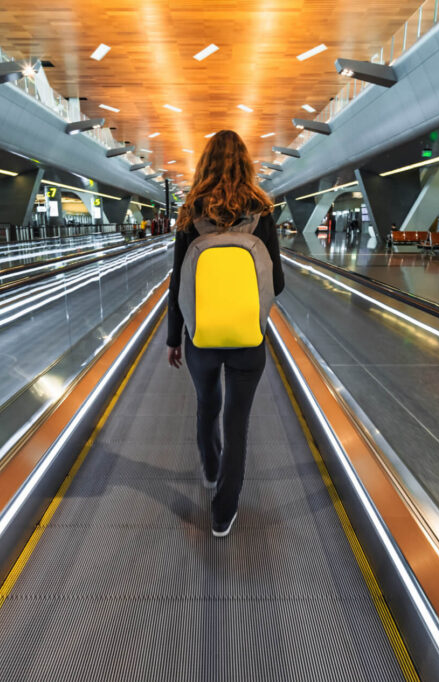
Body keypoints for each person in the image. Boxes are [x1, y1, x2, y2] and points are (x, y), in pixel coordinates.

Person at [166, 130, 285, 538]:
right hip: (248, 339)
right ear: (246, 164)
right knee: (238, 422)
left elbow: (177, 284)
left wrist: (173, 338)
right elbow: (278, 283)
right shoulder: (261, 212)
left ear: (205, 164)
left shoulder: (190, 212)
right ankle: (223, 513)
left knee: (207, 405)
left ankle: (211, 469)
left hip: (201, 337)